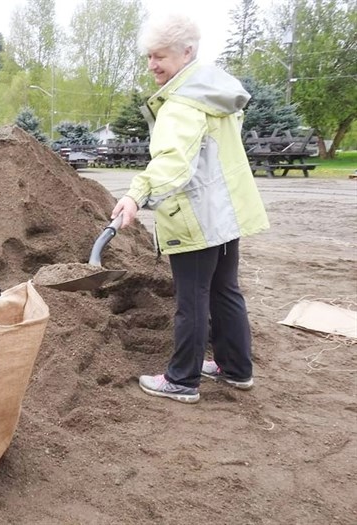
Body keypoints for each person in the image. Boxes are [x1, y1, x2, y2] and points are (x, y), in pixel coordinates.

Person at [111, 12, 269, 403]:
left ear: (187, 52)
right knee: (224, 289)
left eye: (160, 56)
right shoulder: (212, 92)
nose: (152, 65)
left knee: (191, 297)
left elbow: (173, 164)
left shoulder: (181, 104)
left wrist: (136, 193)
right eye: (149, 57)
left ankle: (181, 379)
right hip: (223, 212)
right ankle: (236, 368)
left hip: (197, 215)